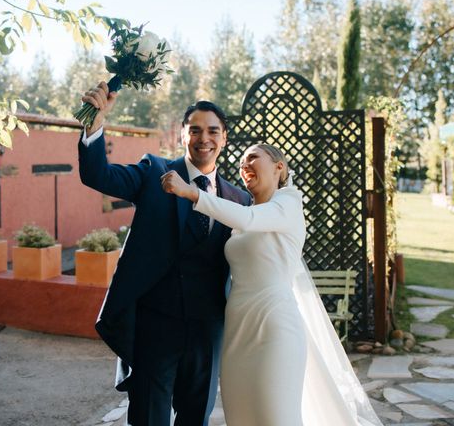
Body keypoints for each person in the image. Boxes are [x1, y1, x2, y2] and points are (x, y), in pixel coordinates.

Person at [161, 143, 383, 426]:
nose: (245, 165)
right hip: (237, 333)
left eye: (253, 157)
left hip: (274, 329)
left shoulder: (288, 203)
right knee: (241, 419)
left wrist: (192, 192)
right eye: (241, 162)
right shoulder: (244, 211)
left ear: (280, 167)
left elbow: (250, 219)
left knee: (275, 418)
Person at [77, 81, 251, 426]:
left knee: (196, 417)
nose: (205, 138)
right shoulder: (153, 172)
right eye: (196, 130)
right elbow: (98, 174)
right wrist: (94, 124)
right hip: (155, 326)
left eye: (213, 131)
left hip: (208, 329)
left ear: (225, 138)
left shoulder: (238, 199)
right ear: (181, 135)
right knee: (147, 418)